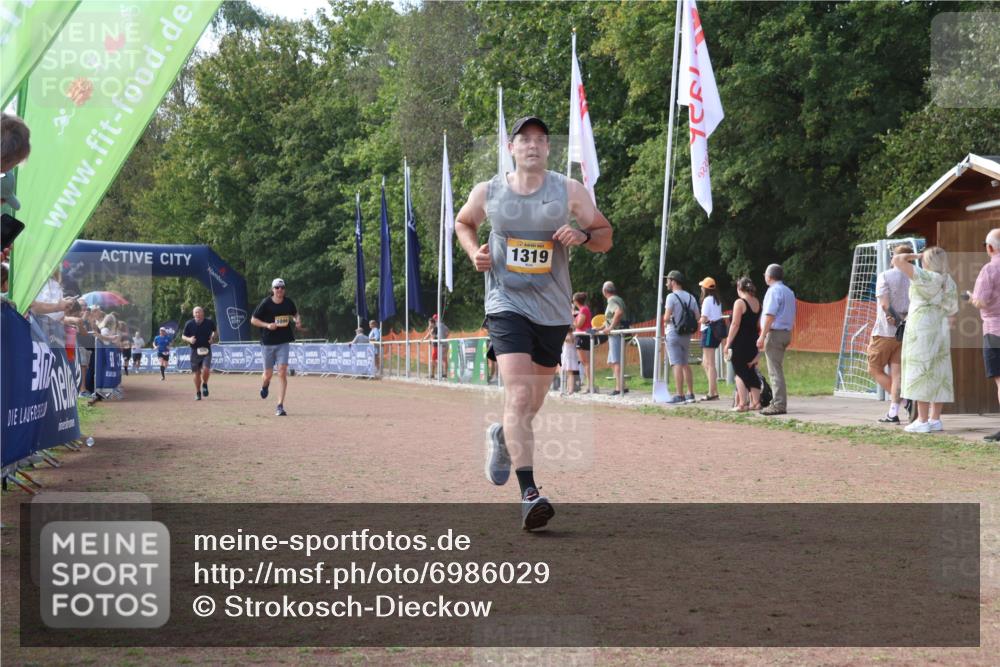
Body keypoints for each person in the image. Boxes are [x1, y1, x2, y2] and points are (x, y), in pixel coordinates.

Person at [455, 114, 613, 530]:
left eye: (541, 140)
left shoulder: (568, 191)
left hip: (552, 310)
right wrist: (474, 252)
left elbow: (605, 235)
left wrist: (582, 236)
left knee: (531, 403)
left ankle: (502, 438)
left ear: (548, 149)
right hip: (505, 303)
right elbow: (462, 222)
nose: (533, 145)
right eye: (524, 139)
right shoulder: (489, 192)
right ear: (511, 148)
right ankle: (529, 494)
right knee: (520, 396)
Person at [893, 247, 958, 433]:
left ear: (927, 261)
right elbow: (953, 311)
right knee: (939, 370)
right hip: (940, 327)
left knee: (920, 369)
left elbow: (898, 260)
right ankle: (935, 419)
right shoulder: (948, 280)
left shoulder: (925, 276)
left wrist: (916, 256)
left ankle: (922, 420)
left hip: (921, 327)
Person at [868, 244, 913, 424]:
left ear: (894, 257)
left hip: (885, 332)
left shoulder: (885, 276)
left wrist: (895, 318)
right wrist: (904, 320)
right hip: (906, 331)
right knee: (897, 374)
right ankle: (893, 412)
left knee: (874, 368)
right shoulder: (914, 277)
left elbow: (885, 305)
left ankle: (904, 402)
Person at [968, 228, 1000, 441]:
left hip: (995, 330)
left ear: (990, 247)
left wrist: (971, 298)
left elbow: (980, 301)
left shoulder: (989, 270)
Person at [251, 278, 300, 416]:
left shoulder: (288, 302)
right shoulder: (266, 303)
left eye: (282, 288)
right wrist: (267, 325)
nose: (280, 290)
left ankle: (280, 405)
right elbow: (253, 319)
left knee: (282, 371)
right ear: (272, 289)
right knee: (268, 375)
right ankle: (265, 385)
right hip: (267, 343)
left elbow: (295, 313)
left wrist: (297, 320)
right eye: (277, 288)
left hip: (283, 342)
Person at [757, 263, 796, 415]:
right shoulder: (788, 291)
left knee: (774, 370)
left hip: (775, 333)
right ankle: (778, 401)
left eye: (765, 274)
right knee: (777, 368)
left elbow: (770, 315)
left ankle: (779, 404)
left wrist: (762, 335)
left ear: (770, 276)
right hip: (786, 332)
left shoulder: (773, 291)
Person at [723, 277, 763, 411]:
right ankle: (756, 403)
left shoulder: (739, 302)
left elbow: (735, 324)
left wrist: (728, 343)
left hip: (740, 342)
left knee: (739, 371)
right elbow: (758, 324)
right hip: (753, 341)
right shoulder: (757, 303)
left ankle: (742, 403)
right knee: (751, 370)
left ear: (739, 289)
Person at [662, 270, 700, 404]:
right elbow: (697, 317)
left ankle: (679, 394)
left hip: (674, 332)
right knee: (685, 363)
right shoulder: (691, 297)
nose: (666, 283)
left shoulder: (671, 297)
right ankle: (690, 393)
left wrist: (668, 318)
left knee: (676, 364)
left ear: (673, 281)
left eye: (668, 280)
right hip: (687, 334)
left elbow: (666, 318)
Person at [597, 281, 628, 395]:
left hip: (616, 334)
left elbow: (618, 312)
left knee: (616, 361)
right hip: (616, 333)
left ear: (605, 291)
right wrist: (601, 327)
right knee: (611, 361)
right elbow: (612, 316)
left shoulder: (612, 300)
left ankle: (619, 388)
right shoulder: (618, 299)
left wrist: (610, 327)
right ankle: (622, 385)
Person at [698, 277, 725, 401]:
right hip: (714, 331)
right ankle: (714, 389)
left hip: (708, 330)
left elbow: (704, 318)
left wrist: (697, 321)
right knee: (705, 363)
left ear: (705, 289)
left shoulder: (707, 300)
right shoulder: (717, 300)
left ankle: (712, 393)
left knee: (710, 363)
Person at [182, 306, 217, 401]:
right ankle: (198, 392)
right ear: (193, 314)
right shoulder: (189, 324)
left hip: (206, 350)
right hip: (194, 351)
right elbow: (183, 336)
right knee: (197, 374)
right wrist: (189, 339)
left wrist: (212, 338)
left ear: (203, 313)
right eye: (195, 312)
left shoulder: (209, 322)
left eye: (199, 312)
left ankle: (205, 384)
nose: (197, 314)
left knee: (206, 369)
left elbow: (215, 331)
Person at [572, 292, 592, 392]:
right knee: (585, 363)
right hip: (583, 337)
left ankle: (590, 385)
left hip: (582, 337)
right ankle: (589, 385)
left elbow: (579, 325)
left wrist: (572, 318)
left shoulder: (583, 310)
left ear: (576, 301)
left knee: (585, 363)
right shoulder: (583, 309)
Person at [423, 314, 449, 379]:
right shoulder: (438, 325)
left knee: (441, 359)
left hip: (442, 345)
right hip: (439, 345)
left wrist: (444, 338)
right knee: (438, 359)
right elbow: (447, 332)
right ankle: (438, 374)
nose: (435, 319)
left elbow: (432, 335)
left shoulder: (438, 325)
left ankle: (442, 373)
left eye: (435, 318)